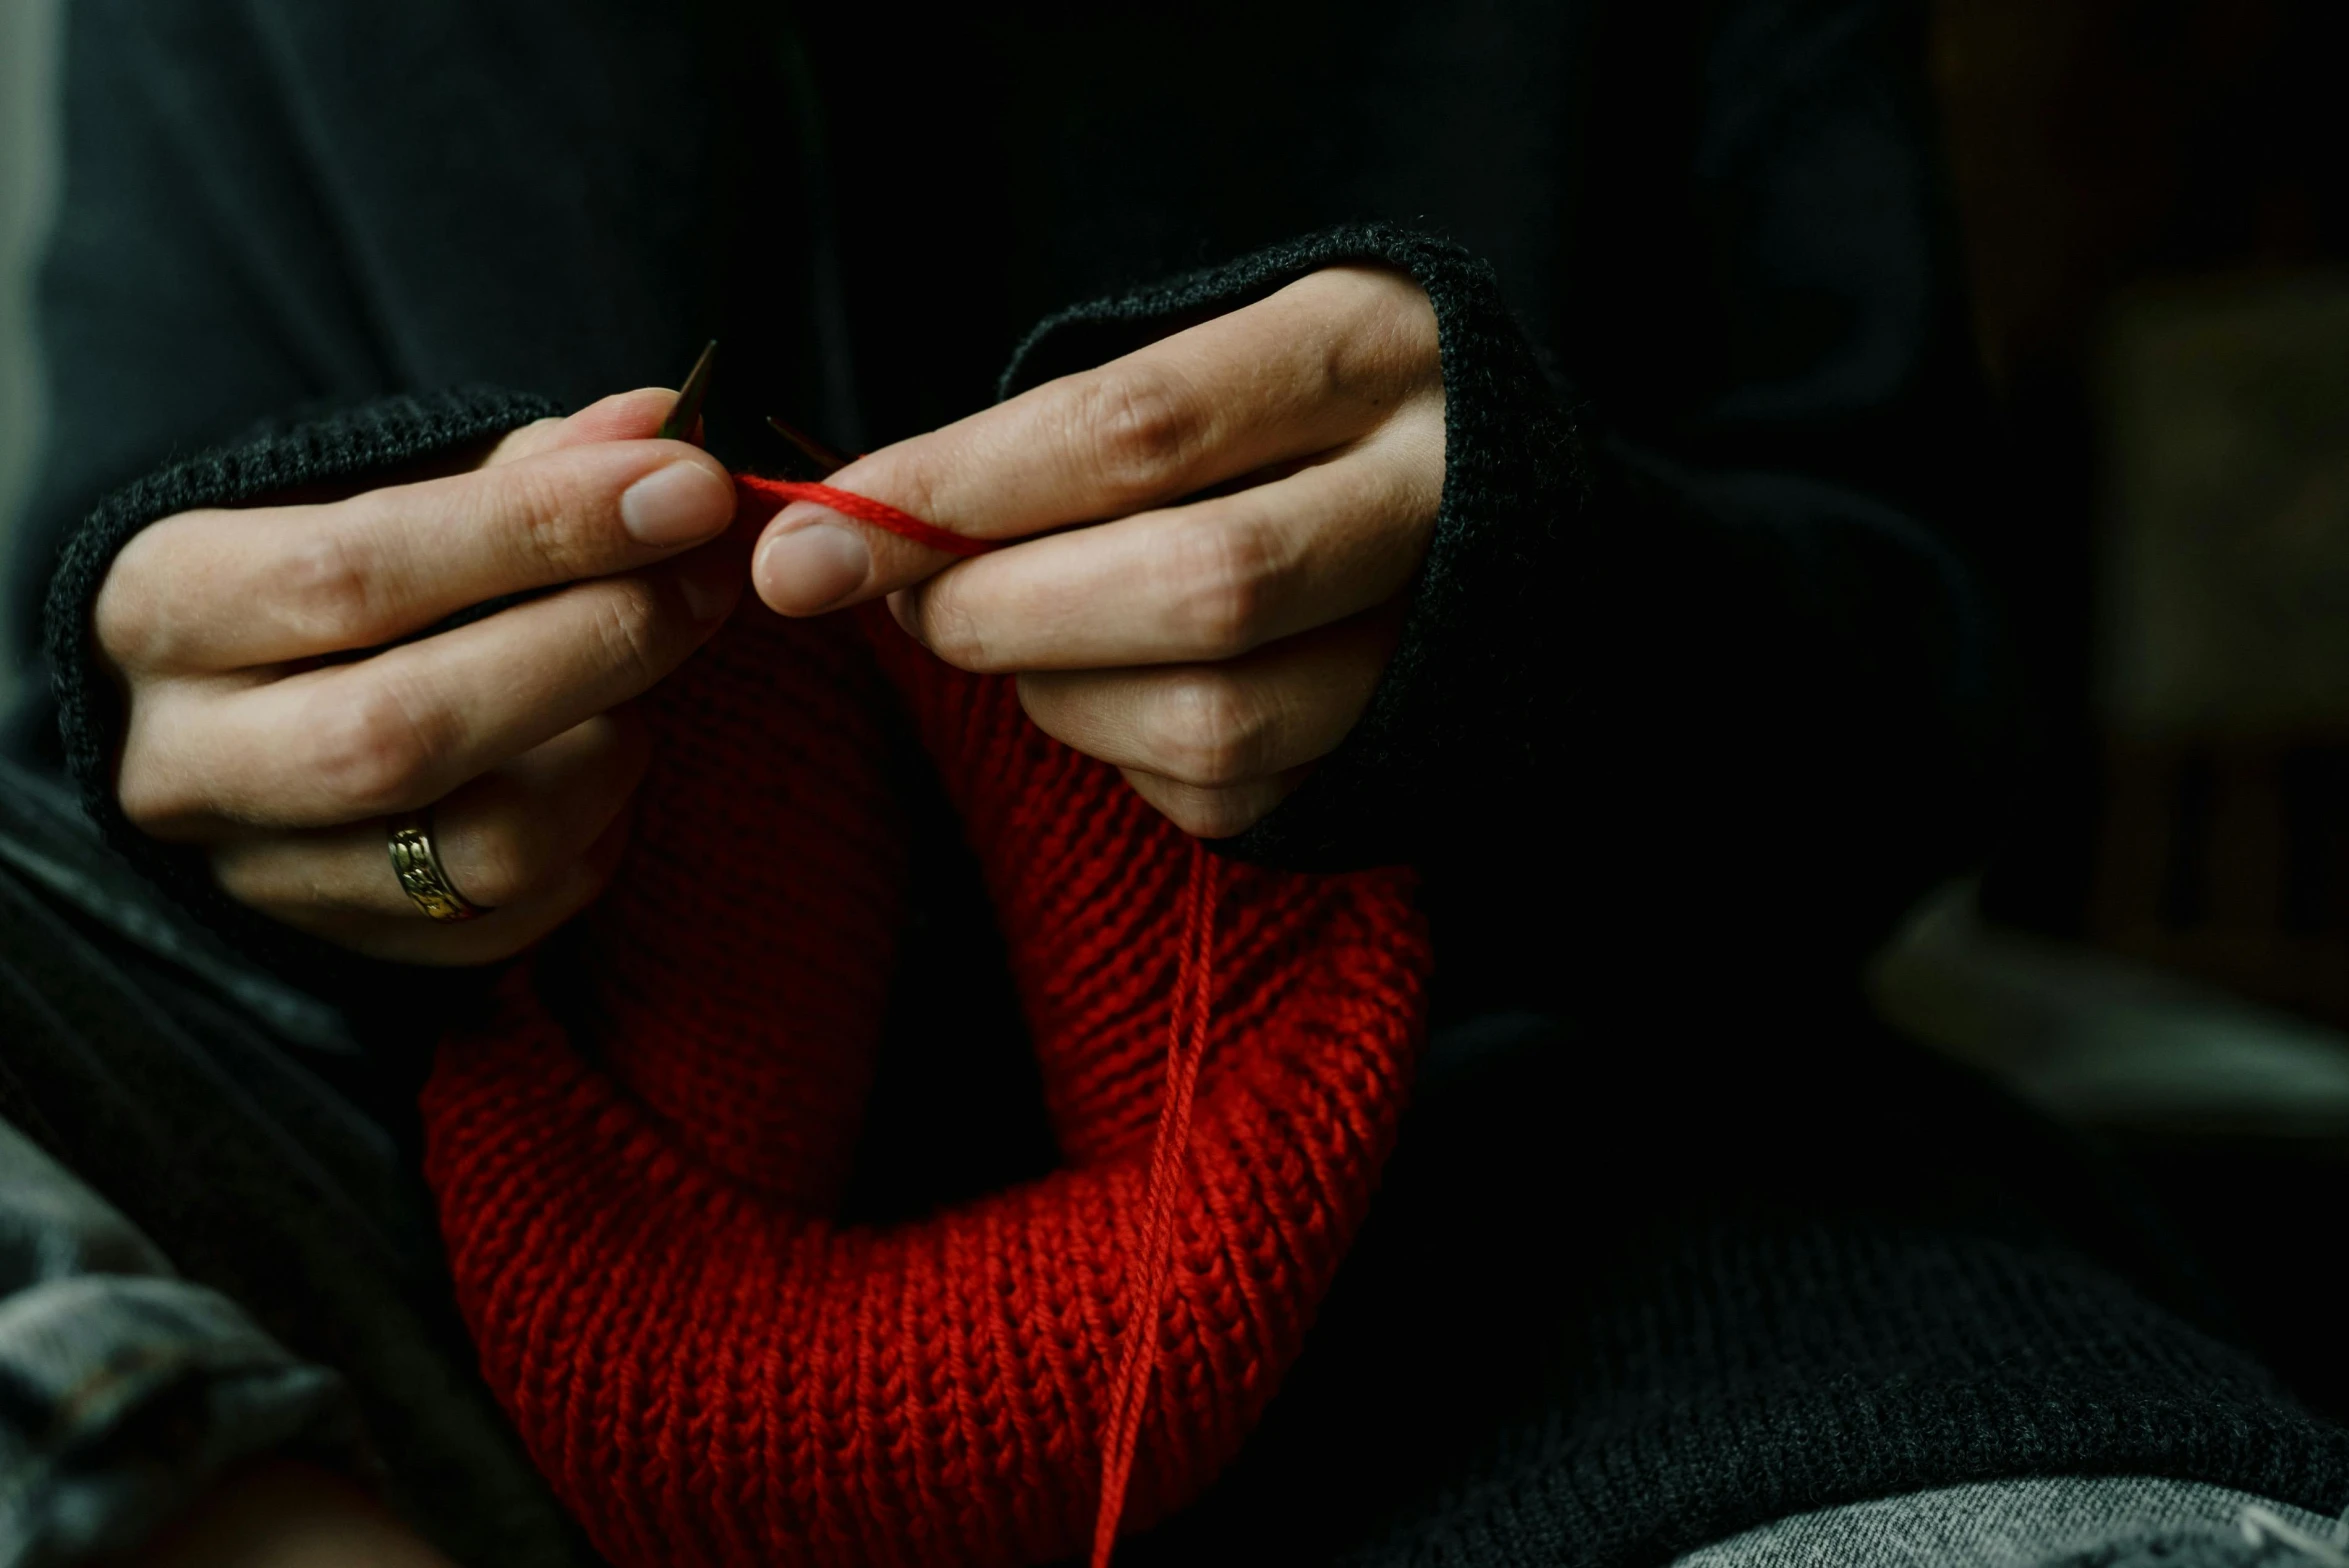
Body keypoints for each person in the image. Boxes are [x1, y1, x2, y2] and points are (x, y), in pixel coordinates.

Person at [2, 1, 2344, 1565]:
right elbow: (109, 693)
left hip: (1570, 1239)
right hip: (415, 1252)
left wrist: (1523, 612)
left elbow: (1927, 672)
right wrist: (322, 786)